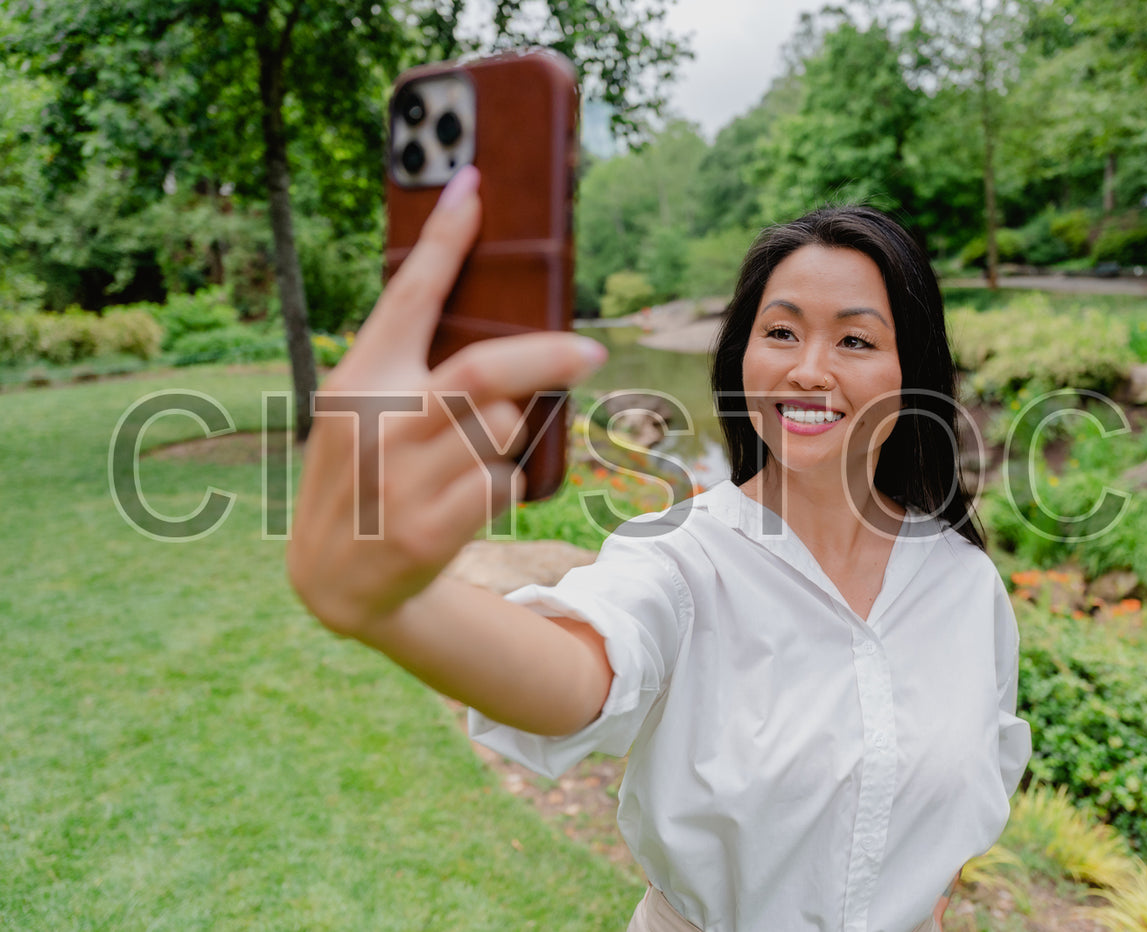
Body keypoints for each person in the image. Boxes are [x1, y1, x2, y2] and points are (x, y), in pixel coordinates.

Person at [287, 165, 1031, 932]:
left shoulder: (963, 584)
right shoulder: (679, 558)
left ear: (912, 373)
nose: (809, 369)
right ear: (742, 355)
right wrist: (394, 605)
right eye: (780, 332)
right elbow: (577, 672)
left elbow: (967, 787)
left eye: (855, 339)